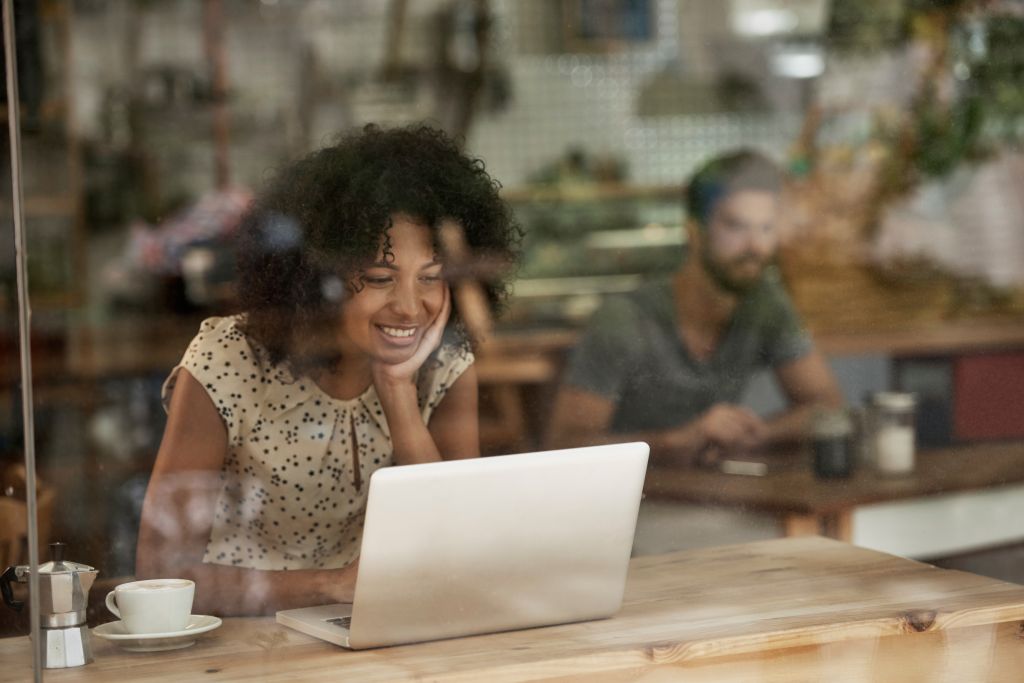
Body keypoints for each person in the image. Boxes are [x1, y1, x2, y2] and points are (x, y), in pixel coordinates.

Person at [136, 125, 521, 616]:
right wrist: (333, 585)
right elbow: (161, 572)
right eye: (379, 278)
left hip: (378, 634)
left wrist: (399, 395)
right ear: (320, 282)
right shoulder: (226, 360)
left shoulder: (443, 367)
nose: (409, 306)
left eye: (431, 278)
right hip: (240, 636)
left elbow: (459, 551)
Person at [547, 150, 842, 464]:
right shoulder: (624, 319)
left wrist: (762, 433)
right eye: (736, 227)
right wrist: (676, 442)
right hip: (635, 491)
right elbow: (565, 445)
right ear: (694, 232)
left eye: (766, 228)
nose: (755, 246)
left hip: (713, 489)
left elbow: (828, 408)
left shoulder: (765, 303)